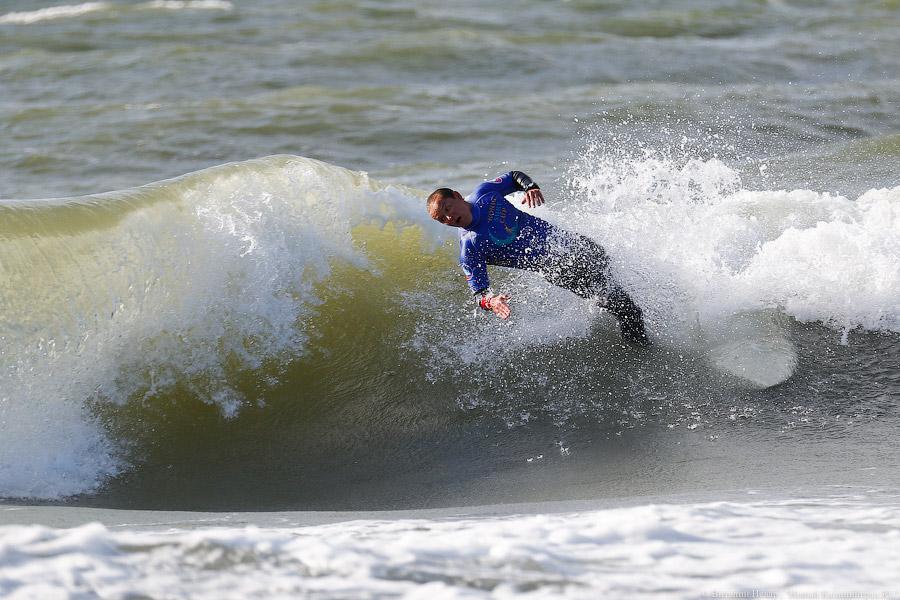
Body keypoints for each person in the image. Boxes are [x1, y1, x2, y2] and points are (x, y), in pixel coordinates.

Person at [427, 170, 649, 344]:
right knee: (628, 310)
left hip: (566, 241)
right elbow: (480, 294)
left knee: (603, 259)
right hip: (559, 269)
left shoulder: (485, 193)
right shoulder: (470, 247)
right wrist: (492, 301)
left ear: (456, 196)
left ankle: (619, 315)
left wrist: (530, 187)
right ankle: (640, 353)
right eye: (442, 219)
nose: (449, 217)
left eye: (447, 208)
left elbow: (514, 177)